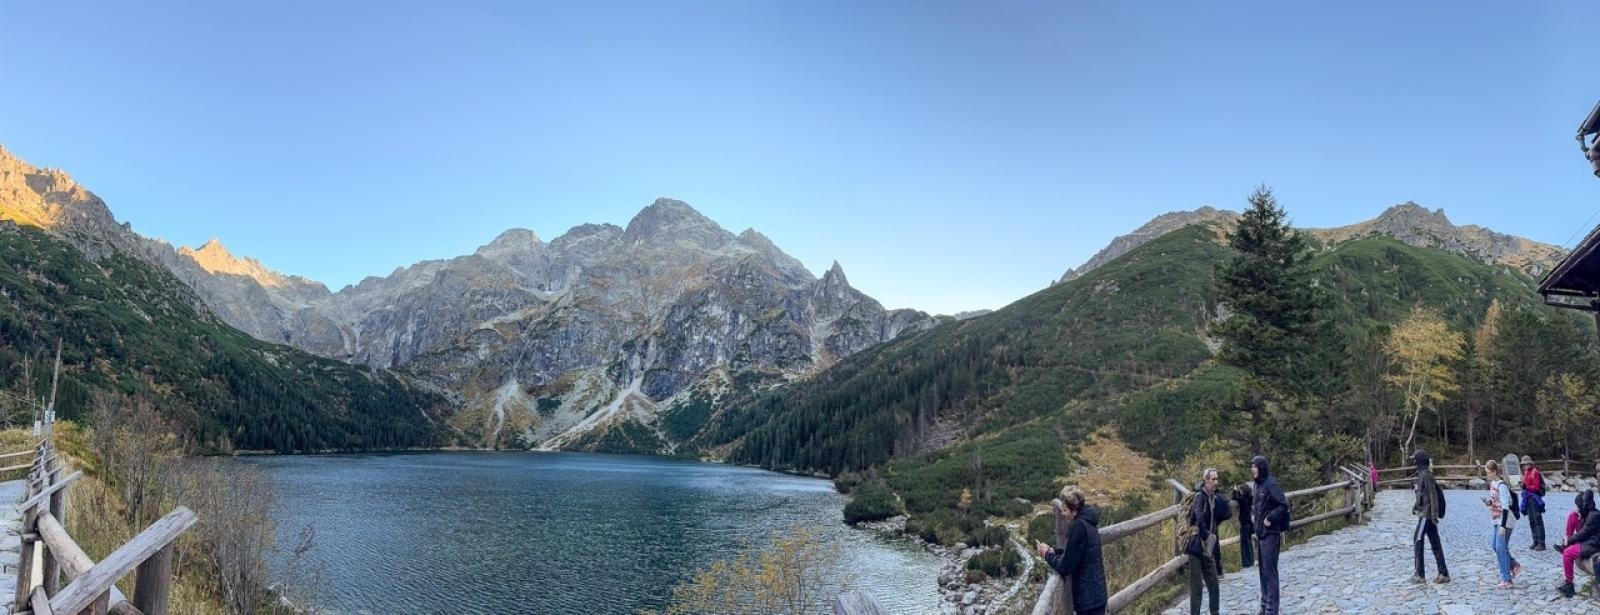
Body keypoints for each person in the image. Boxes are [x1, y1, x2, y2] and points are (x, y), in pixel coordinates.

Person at [1035, 486, 1108, 615]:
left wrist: (1046, 554)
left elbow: (1065, 566)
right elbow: (1078, 551)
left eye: (1064, 509)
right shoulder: (1088, 520)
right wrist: (1055, 551)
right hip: (1097, 594)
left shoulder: (1078, 526)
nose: (1063, 514)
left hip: (1087, 600)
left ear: (1073, 509)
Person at [1187, 469, 1231, 615]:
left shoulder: (1213, 497)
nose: (1216, 482)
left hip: (1207, 546)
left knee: (1213, 581)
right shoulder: (1200, 496)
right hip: (1196, 544)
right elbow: (1198, 516)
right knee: (1196, 586)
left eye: (1216, 479)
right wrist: (1206, 534)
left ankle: (1215, 611)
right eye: (1213, 479)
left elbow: (1225, 511)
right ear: (1205, 480)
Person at [1251, 455, 1290, 615]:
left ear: (1261, 468)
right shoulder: (1258, 486)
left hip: (1271, 535)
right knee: (1262, 572)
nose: (1252, 469)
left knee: (1270, 572)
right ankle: (1264, 606)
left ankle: (1272, 610)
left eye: (1254, 466)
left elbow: (1283, 506)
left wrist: (1269, 518)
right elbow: (1257, 506)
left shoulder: (1271, 484)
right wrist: (1254, 516)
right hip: (1261, 535)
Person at [1410, 449, 1450, 584]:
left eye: (1415, 459)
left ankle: (1419, 574)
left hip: (1426, 515)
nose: (1413, 462)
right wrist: (1416, 505)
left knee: (1418, 540)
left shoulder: (1426, 475)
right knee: (1435, 543)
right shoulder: (1422, 474)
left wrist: (1433, 515)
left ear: (1419, 461)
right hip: (1426, 513)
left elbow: (1432, 495)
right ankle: (1443, 572)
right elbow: (1423, 494)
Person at [1484, 460, 1523, 589]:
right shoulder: (1493, 484)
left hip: (1505, 521)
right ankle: (1513, 565)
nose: (1488, 475)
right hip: (1495, 519)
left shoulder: (1502, 486)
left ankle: (1506, 578)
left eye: (1489, 473)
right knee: (1495, 545)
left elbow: (1505, 507)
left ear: (1495, 471)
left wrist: (1503, 526)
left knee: (1501, 548)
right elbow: (1496, 501)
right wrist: (1489, 502)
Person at [1555, 489, 1600, 598]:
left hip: (1593, 543)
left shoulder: (1594, 515)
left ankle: (1569, 585)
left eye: (1579, 506)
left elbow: (1583, 534)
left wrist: (1568, 541)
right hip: (1589, 541)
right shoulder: (1589, 513)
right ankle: (1568, 584)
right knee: (1572, 515)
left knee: (1568, 553)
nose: (1578, 508)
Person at [1231, 482, 1255, 568]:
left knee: (1244, 544)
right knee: (1249, 543)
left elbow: (1234, 498)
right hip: (1249, 523)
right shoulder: (1250, 498)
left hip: (1244, 524)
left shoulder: (1243, 500)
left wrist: (1234, 491)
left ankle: (1246, 562)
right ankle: (1251, 560)